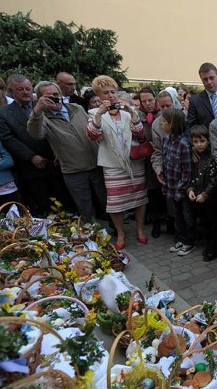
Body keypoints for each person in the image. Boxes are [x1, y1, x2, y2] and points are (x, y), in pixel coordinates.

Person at [27, 81, 106, 223]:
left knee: (105, 200)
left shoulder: (76, 108)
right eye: (48, 96)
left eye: (56, 95)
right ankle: (91, 235)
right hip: (73, 169)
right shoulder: (41, 118)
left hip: (97, 163)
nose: (54, 98)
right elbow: (36, 134)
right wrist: (37, 110)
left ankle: (117, 229)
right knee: (84, 207)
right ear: (40, 99)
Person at [86, 75, 148, 250]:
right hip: (113, 164)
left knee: (140, 198)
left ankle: (140, 229)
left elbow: (140, 133)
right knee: (115, 203)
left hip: (133, 162)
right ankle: (121, 233)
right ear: (99, 95)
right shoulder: (94, 113)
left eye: (113, 91)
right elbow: (93, 135)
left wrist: (132, 111)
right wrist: (99, 113)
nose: (111, 95)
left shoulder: (127, 112)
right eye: (106, 93)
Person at [0, 74, 70, 216]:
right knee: (43, 204)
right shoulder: (3, 113)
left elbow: (57, 128)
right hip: (31, 167)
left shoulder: (45, 105)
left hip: (55, 162)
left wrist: (57, 151)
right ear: (11, 91)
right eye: (20, 89)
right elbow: (8, 139)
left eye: (28, 89)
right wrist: (31, 156)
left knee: (63, 200)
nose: (25, 92)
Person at [155, 108, 195, 256]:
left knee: (187, 216)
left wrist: (180, 188)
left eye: (164, 122)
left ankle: (189, 241)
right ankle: (181, 239)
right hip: (171, 186)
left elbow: (187, 170)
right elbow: (165, 162)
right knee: (177, 216)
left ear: (172, 124)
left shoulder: (184, 144)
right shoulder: (166, 139)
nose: (161, 123)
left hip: (182, 189)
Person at [188, 125, 217, 261]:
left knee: (215, 224)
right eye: (196, 142)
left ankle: (216, 249)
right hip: (199, 197)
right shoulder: (196, 157)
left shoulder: (212, 156)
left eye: (202, 141)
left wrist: (205, 194)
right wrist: (191, 189)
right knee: (204, 224)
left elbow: (215, 179)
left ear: (208, 140)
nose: (199, 145)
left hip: (212, 198)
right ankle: (209, 246)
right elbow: (192, 175)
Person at [138, 86, 164, 238]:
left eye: (150, 100)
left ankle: (168, 221)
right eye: (144, 101)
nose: (148, 103)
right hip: (147, 159)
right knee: (152, 192)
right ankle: (156, 224)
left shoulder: (162, 113)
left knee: (164, 192)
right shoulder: (137, 116)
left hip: (163, 156)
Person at [187, 62, 217, 129]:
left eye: (211, 78)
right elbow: (191, 127)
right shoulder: (195, 101)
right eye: (205, 79)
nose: (209, 82)